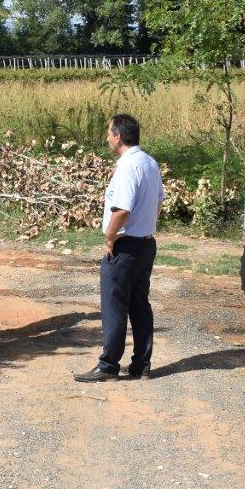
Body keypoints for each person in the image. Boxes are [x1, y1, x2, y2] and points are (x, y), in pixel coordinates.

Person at [74, 113, 164, 383]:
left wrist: (110, 237)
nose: (107, 138)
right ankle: (141, 365)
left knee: (114, 306)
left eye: (109, 133)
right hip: (145, 243)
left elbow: (122, 210)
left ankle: (108, 365)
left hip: (124, 247)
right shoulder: (150, 163)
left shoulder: (127, 166)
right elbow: (158, 203)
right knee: (140, 305)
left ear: (118, 136)